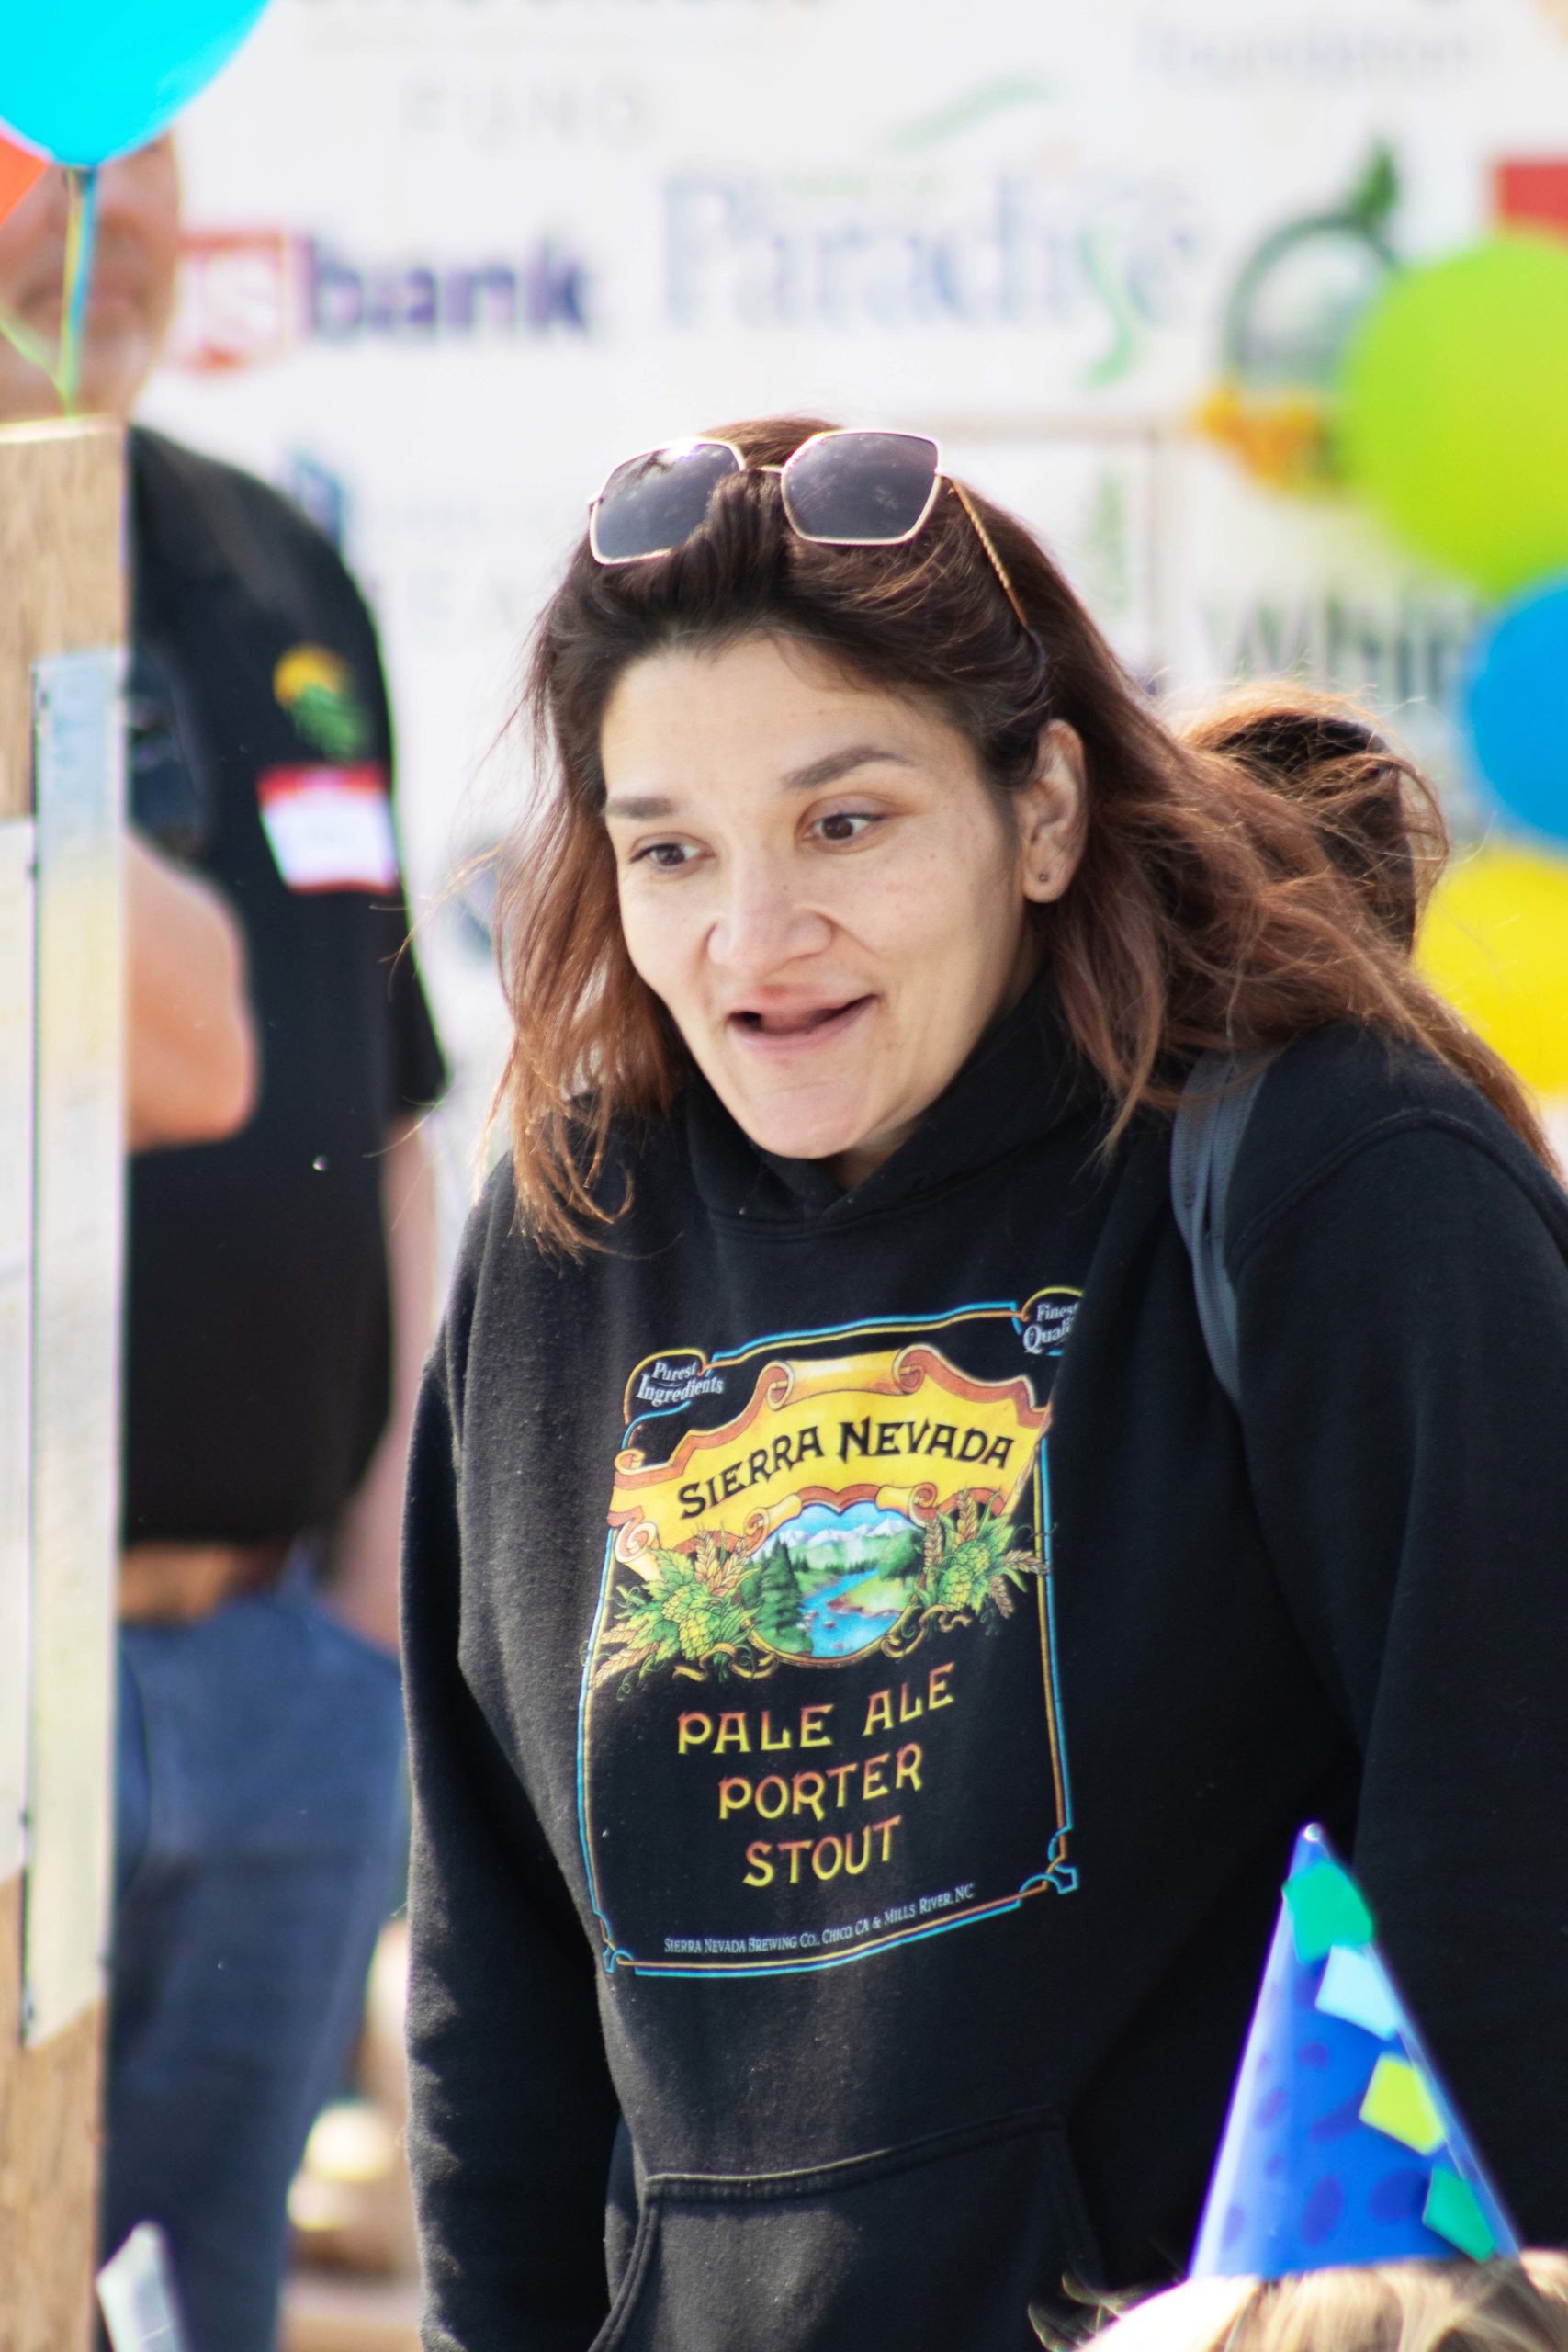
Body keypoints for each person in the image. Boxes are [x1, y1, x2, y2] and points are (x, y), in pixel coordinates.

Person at [400, 418, 1568, 2352]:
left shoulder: (1323, 1173)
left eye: (842, 822)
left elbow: (1516, 1856)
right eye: (666, 848)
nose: (751, 940)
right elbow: (497, 2004)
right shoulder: (561, 1244)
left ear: (1037, 809)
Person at [0, 140, 447, 2352]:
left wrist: (371, 1610)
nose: (97, 210)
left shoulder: (276, 559)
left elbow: (378, 1117)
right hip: (18, 1682)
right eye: (36, 139)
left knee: (210, 2304)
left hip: (283, 1674)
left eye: (141, 155)